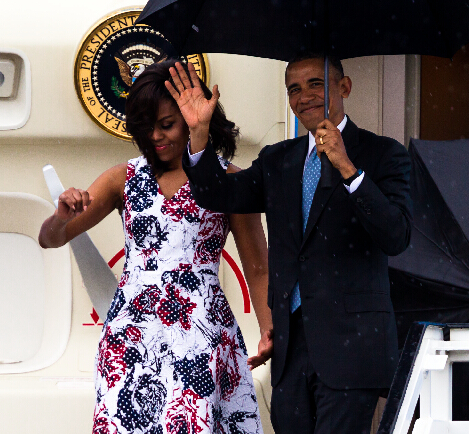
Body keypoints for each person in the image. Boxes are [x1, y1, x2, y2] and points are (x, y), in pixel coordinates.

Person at [166, 55, 413, 434]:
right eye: (294, 89)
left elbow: (396, 235)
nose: (304, 96)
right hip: (289, 345)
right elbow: (218, 194)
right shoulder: (278, 158)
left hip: (351, 345)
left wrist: (348, 168)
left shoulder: (383, 153)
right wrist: (198, 134)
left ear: (344, 87)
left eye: (316, 84)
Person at [38, 60, 273, 434]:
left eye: (166, 124)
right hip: (131, 335)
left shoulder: (229, 179)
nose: (156, 136)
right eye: (146, 127)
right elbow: (51, 239)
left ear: (194, 118)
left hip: (201, 332)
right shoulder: (122, 178)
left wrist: (268, 328)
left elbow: (257, 267)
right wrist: (61, 216)